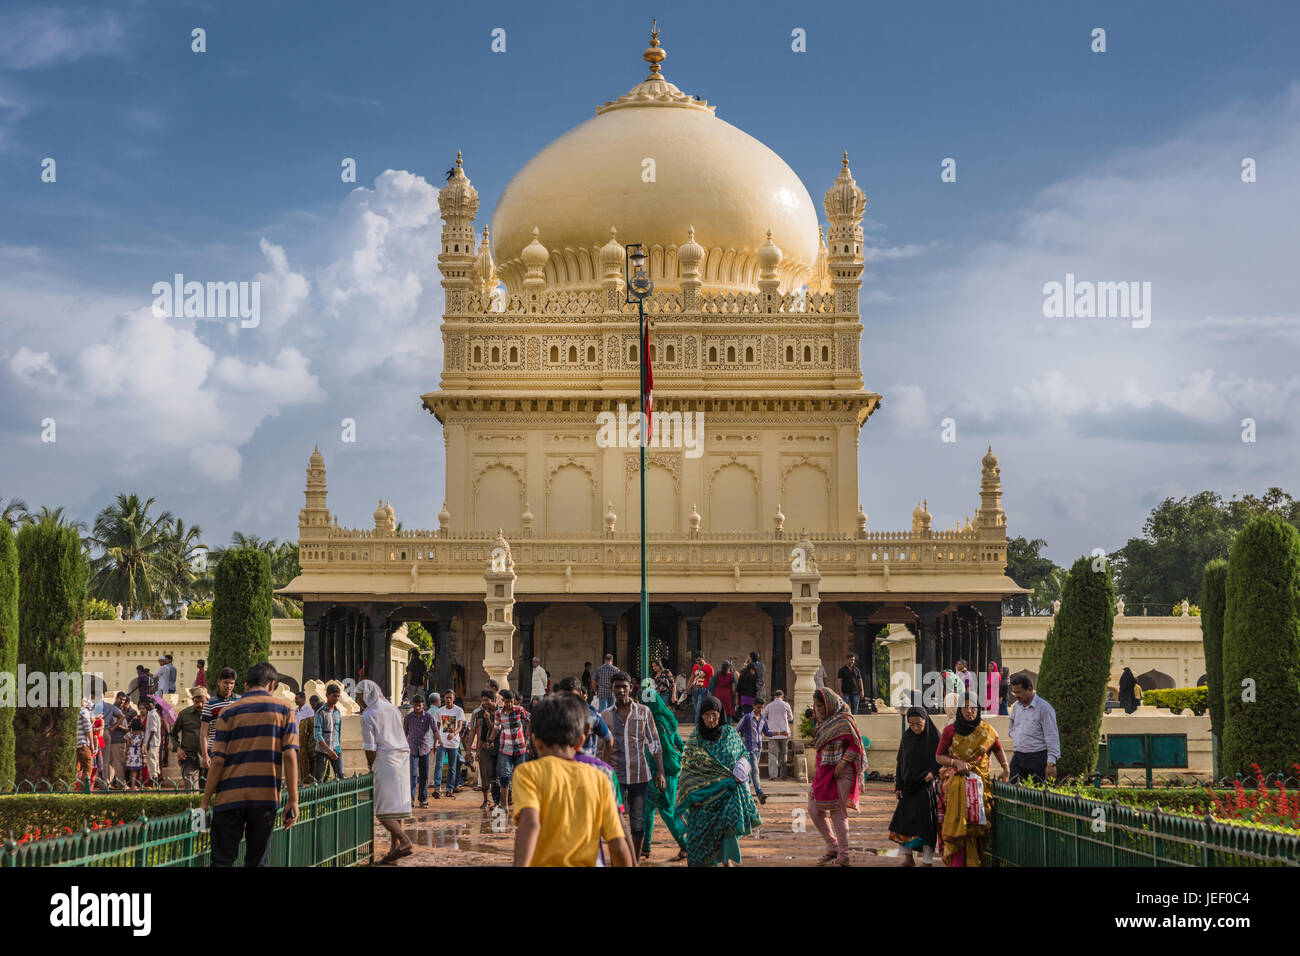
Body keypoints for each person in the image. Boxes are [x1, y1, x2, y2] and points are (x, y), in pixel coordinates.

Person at [511, 693, 634, 867]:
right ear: (580, 741)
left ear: (535, 741)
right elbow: (617, 844)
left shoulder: (528, 773)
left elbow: (530, 823)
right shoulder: (599, 778)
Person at [200, 663, 300, 867]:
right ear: (272, 685)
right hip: (265, 797)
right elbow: (290, 755)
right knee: (257, 862)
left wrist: (205, 801)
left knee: (221, 861)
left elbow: (217, 761)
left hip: (229, 796)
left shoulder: (227, 712)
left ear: (245, 685)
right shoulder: (284, 709)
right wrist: (293, 799)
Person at [676, 696, 762, 866]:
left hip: (727, 798)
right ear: (700, 716)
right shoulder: (695, 740)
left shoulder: (730, 734)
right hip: (702, 803)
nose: (710, 719)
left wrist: (741, 767)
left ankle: (727, 862)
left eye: (714, 715)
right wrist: (693, 796)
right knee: (698, 845)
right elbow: (688, 772)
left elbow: (744, 754)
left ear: (720, 714)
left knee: (726, 840)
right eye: (706, 715)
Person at [936, 692, 1010, 867]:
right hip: (956, 785)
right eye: (965, 707)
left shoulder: (986, 730)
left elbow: (998, 749)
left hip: (980, 786)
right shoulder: (950, 730)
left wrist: (1006, 768)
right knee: (958, 824)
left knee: (978, 826)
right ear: (960, 710)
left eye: (973, 707)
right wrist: (956, 762)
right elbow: (939, 756)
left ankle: (975, 861)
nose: (970, 711)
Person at [601, 672, 666, 856]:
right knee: (615, 822)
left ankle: (635, 860)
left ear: (631, 687)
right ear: (612, 689)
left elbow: (654, 743)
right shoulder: (605, 716)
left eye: (624, 686)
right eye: (617, 687)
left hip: (640, 775)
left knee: (638, 823)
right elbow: (601, 748)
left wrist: (660, 771)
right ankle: (618, 859)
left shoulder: (643, 712)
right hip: (615, 777)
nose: (621, 690)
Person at [353, 679, 413, 863]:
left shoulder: (368, 715)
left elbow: (370, 747)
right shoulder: (392, 708)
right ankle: (394, 852)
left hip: (385, 760)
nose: (358, 702)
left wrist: (370, 765)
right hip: (402, 758)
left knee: (382, 811)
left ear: (366, 695)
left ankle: (405, 841)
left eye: (359, 698)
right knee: (396, 808)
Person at [807, 687, 864, 866]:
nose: (818, 710)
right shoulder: (822, 722)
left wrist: (842, 763)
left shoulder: (844, 720)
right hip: (824, 771)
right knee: (813, 808)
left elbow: (856, 745)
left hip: (842, 770)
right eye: (816, 706)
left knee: (838, 812)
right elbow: (820, 747)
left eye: (821, 706)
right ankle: (833, 846)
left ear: (830, 704)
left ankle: (844, 856)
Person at [889, 706, 940, 866]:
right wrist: (898, 785)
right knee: (904, 824)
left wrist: (932, 774)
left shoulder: (934, 738)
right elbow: (900, 761)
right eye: (911, 725)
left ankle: (927, 860)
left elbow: (941, 759)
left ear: (926, 721)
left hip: (925, 788)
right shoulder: (907, 737)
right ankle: (908, 858)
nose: (915, 728)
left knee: (925, 825)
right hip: (908, 788)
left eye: (919, 724)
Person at [642, 687, 688, 862]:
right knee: (649, 810)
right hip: (670, 768)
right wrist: (682, 756)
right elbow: (676, 740)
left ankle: (685, 846)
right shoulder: (668, 718)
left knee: (666, 811)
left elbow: (657, 748)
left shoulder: (655, 721)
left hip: (661, 772)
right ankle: (645, 847)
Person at [1007, 673, 1060, 782]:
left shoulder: (1044, 708)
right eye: (1014, 692)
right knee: (1013, 791)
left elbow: (1052, 736)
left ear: (1030, 689)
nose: (1016, 696)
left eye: (1019, 692)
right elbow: (1012, 726)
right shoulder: (1017, 706)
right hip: (1018, 756)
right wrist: (1016, 737)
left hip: (1038, 758)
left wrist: (1051, 763)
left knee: (1037, 793)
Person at [493, 690, 530, 817]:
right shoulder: (498, 713)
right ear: (503, 701)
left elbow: (529, 720)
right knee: (505, 775)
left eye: (510, 701)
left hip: (520, 747)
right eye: (506, 701)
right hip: (505, 747)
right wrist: (489, 740)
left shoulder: (519, 710)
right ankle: (505, 805)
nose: (508, 704)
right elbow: (496, 727)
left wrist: (528, 738)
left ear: (513, 701)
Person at [199, 667, 240, 774]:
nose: (229, 686)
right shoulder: (210, 703)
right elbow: (204, 732)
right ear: (219, 682)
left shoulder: (240, 701)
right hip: (216, 750)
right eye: (226, 683)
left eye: (232, 683)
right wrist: (205, 755)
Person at [468, 689, 500, 808]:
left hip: (498, 747)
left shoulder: (499, 712)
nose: (484, 703)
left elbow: (495, 730)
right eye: (483, 701)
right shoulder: (480, 713)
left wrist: (487, 719)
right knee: (484, 773)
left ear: (493, 700)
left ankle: (498, 801)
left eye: (487, 700)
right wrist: (478, 750)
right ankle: (486, 800)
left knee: (496, 774)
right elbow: (483, 733)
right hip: (486, 747)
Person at [171, 687, 207, 789]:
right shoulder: (184, 714)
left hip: (208, 758)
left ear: (206, 700)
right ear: (192, 701)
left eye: (202, 702)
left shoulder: (212, 714)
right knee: (191, 791)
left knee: (207, 793)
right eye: (197, 702)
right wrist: (178, 748)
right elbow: (172, 734)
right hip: (189, 758)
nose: (200, 705)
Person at [433, 689, 466, 798]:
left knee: (452, 767)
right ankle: (437, 789)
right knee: (439, 765)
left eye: (450, 698)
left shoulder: (458, 711)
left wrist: (454, 733)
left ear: (454, 699)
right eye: (446, 697)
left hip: (453, 743)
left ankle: (449, 789)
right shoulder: (440, 711)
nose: (448, 700)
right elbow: (437, 728)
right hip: (441, 742)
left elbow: (460, 727)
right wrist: (435, 742)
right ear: (443, 699)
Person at [736, 697, 768, 805]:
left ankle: (747, 796)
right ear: (753, 706)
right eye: (758, 707)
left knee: (749, 774)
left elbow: (766, 732)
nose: (759, 710)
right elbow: (737, 730)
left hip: (759, 748)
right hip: (749, 749)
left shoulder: (763, 718)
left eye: (761, 708)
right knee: (755, 772)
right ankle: (760, 794)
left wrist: (779, 733)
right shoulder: (747, 718)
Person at [404, 695, 435, 807]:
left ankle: (422, 799)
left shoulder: (428, 717)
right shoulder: (408, 718)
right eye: (415, 705)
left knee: (424, 775)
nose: (417, 708)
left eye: (419, 705)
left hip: (425, 749)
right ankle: (410, 800)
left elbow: (435, 730)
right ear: (413, 705)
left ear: (423, 705)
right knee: (412, 775)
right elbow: (405, 733)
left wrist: (438, 742)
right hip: (412, 749)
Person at [313, 682, 344, 780]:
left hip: (336, 749)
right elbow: (317, 735)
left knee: (341, 776)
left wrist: (335, 748)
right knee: (319, 779)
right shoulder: (321, 712)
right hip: (323, 750)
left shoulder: (338, 713)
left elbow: (338, 732)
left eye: (338, 696)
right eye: (334, 696)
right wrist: (328, 750)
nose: (336, 699)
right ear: (327, 695)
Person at [763, 689, 794, 780]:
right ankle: (783, 775)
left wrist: (769, 722)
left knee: (773, 754)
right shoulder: (786, 705)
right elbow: (791, 718)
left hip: (773, 733)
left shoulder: (769, 706)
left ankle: (773, 775)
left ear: (774, 696)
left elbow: (763, 716)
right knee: (783, 754)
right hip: (784, 733)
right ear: (782, 696)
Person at [141, 697, 162, 787]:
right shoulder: (151, 714)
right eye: (145, 704)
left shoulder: (153, 714)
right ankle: (154, 783)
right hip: (153, 742)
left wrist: (148, 743)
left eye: (148, 704)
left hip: (152, 743)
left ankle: (153, 783)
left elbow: (153, 730)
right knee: (154, 762)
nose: (146, 706)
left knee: (152, 762)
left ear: (153, 704)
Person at [299, 695, 320, 785]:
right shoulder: (324, 717)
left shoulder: (308, 720)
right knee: (318, 766)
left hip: (311, 745)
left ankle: (312, 782)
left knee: (312, 765)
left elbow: (303, 735)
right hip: (321, 745)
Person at [76, 699, 96, 787]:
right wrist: (92, 744)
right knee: (87, 767)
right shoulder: (83, 711)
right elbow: (88, 729)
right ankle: (84, 790)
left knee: (75, 769)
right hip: (82, 743)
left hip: (73, 744)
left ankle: (74, 789)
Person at [689, 655, 715, 723]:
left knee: (698, 710)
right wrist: (687, 687)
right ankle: (703, 724)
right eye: (696, 660)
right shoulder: (695, 666)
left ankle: (697, 728)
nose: (698, 662)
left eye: (699, 660)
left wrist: (711, 690)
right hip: (694, 689)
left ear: (703, 658)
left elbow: (711, 681)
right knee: (698, 710)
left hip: (703, 690)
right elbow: (692, 677)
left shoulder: (709, 668)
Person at [125, 717, 145, 788]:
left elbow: (127, 745)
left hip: (131, 751)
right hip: (138, 752)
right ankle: (134, 785)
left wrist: (125, 754)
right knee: (135, 770)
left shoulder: (129, 734)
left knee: (131, 769)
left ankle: (132, 784)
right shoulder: (142, 734)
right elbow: (143, 745)